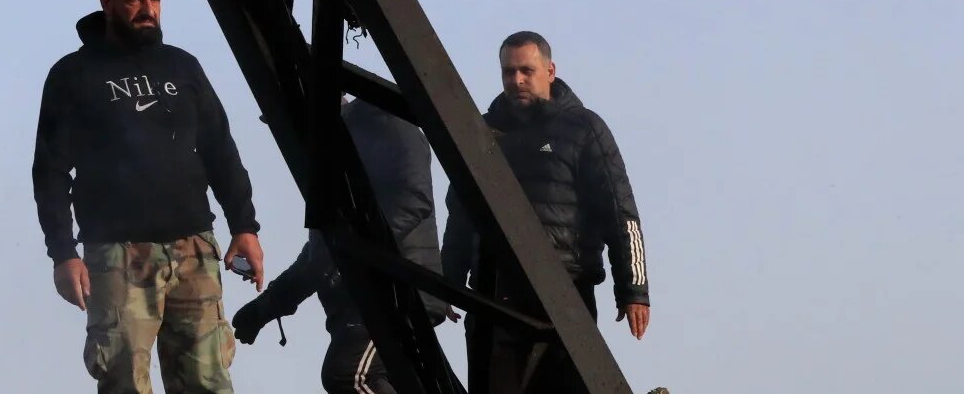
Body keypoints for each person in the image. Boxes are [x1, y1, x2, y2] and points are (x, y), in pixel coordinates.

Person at [32, 0, 265, 394]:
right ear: (108, 2)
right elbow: (50, 172)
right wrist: (62, 251)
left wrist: (245, 226)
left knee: (208, 381)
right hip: (118, 254)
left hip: (195, 247)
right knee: (124, 383)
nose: (148, 9)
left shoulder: (182, 65)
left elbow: (220, 148)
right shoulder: (72, 75)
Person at [441, 31, 649, 393]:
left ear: (550, 71)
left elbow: (620, 212)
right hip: (493, 293)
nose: (517, 80)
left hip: (566, 293)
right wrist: (450, 282)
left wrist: (633, 290)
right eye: (508, 72)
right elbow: (460, 213)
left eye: (526, 70)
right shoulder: (482, 131)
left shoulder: (584, 128)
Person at [229, 95, 450, 394]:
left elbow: (414, 199)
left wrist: (356, 250)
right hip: (362, 299)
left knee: (350, 375)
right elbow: (318, 257)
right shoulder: (329, 156)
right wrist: (265, 308)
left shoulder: (383, 122)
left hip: (397, 292)